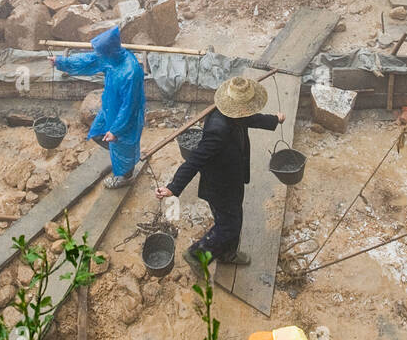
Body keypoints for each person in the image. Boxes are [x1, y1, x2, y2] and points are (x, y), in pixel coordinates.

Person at [155, 75, 283, 270]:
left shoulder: (236, 114)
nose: (248, 111)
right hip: (219, 186)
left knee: (233, 219)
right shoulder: (218, 130)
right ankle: (196, 255)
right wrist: (173, 187)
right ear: (238, 107)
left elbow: (251, 118)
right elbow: (195, 159)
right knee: (229, 225)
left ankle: (227, 254)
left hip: (233, 178)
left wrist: (274, 120)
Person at [51, 27, 145, 188]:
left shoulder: (131, 72)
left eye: (101, 52)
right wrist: (61, 62)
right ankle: (121, 159)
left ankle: (125, 176)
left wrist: (116, 130)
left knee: (123, 144)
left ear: (110, 50)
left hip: (125, 116)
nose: (99, 56)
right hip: (110, 107)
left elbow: (129, 106)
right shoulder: (110, 57)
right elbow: (88, 60)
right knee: (97, 133)